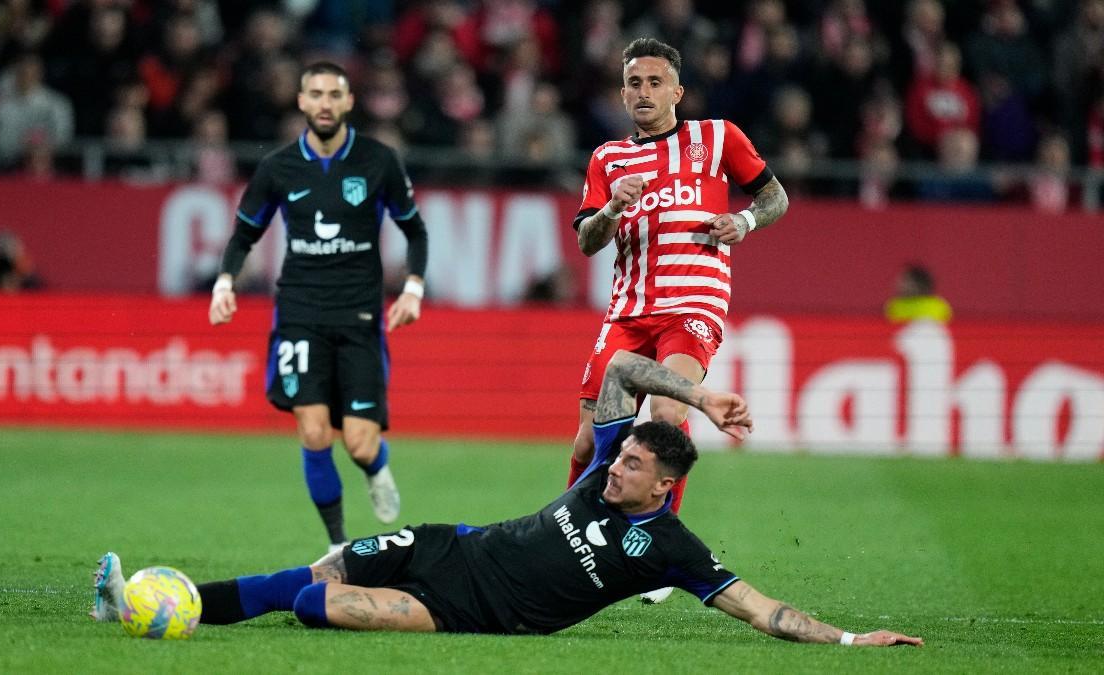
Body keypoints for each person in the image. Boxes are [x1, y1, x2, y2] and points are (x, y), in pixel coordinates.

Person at [90, 350, 923, 647]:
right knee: (318, 567)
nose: (613, 463)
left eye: (631, 462)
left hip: (478, 610)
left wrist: (849, 637)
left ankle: (184, 605)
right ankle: (161, 603)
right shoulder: (604, 467)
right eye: (620, 451)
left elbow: (761, 607)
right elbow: (624, 374)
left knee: (320, 605)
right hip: (453, 544)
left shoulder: (670, 549)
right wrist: (698, 398)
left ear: (665, 486)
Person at [569, 38, 789, 603]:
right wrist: (613, 206)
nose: (644, 93)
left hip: (692, 305)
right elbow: (588, 242)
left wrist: (745, 222)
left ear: (677, 91)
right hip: (627, 312)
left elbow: (775, 198)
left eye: (654, 82)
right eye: (634, 84)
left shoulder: (717, 138)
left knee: (668, 410)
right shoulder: (607, 160)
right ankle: (575, 544)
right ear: (622, 93)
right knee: (586, 443)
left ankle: (657, 545)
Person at [208, 61, 429, 555]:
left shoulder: (378, 161)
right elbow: (245, 233)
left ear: (349, 102)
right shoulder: (278, 168)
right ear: (302, 102)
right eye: (316, 94)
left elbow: (414, 229)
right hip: (299, 314)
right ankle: (336, 544)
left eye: (334, 94)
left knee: (359, 443)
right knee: (312, 431)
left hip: (360, 318)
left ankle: (376, 467)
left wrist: (413, 288)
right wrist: (226, 282)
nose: (325, 103)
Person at [884, 264, 951, 323]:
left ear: (919, 283)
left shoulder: (938, 305)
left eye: (906, 281)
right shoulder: (894, 306)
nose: (900, 284)